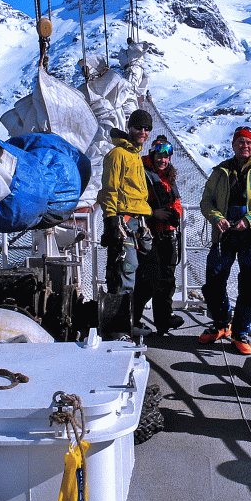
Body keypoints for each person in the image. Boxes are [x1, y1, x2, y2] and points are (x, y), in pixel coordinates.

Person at [198, 126, 251, 355]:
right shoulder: (220, 171)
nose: (244, 146)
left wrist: (249, 219)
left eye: (248, 142)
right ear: (233, 145)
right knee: (214, 280)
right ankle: (221, 323)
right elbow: (206, 201)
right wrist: (217, 219)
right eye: (240, 142)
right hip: (224, 233)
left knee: (249, 284)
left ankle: (240, 331)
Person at [96, 108, 153, 340]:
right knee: (123, 273)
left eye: (147, 128)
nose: (143, 132)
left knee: (141, 274)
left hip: (138, 223)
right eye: (139, 127)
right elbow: (110, 190)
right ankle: (117, 330)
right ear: (129, 127)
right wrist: (111, 221)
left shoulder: (135, 155)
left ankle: (128, 323)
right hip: (123, 222)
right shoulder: (118, 155)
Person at [134, 135, 186, 336]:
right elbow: (135, 200)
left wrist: (175, 213)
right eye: (159, 155)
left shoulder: (168, 176)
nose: (162, 160)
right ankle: (134, 318)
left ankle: (163, 320)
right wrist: (153, 213)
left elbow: (177, 200)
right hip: (149, 233)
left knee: (167, 279)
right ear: (152, 153)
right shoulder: (142, 173)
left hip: (168, 234)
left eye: (166, 156)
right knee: (147, 280)